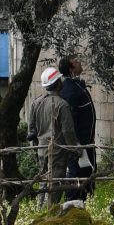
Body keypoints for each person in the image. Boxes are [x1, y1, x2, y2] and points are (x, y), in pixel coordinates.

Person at [27, 66, 78, 206]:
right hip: (57, 150)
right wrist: (76, 149)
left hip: (41, 149)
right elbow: (68, 132)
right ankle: (49, 214)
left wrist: (36, 146)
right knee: (55, 184)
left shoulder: (36, 102)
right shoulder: (62, 105)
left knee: (43, 182)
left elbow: (31, 129)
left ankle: (40, 211)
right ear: (57, 83)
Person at [58, 56, 97, 201]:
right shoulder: (69, 90)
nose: (79, 61)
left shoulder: (77, 86)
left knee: (85, 175)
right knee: (77, 176)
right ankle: (72, 206)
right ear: (71, 68)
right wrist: (76, 145)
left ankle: (80, 205)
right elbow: (70, 120)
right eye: (75, 61)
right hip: (79, 144)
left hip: (86, 142)